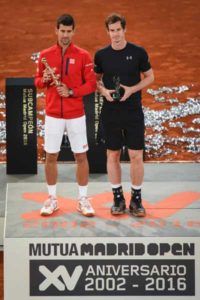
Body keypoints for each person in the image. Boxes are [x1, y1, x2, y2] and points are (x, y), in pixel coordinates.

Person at [35, 14, 96, 217]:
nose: (65, 35)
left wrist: (71, 92)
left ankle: (83, 199)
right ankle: (52, 199)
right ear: (56, 30)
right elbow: (37, 81)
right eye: (62, 31)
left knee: (81, 156)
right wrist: (44, 80)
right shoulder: (45, 55)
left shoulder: (83, 56)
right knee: (51, 156)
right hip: (53, 114)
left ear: (74, 32)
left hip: (76, 114)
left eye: (69, 31)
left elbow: (91, 85)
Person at [94, 13, 154, 217]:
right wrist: (103, 92)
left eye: (119, 30)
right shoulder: (101, 55)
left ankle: (136, 200)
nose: (116, 34)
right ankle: (117, 198)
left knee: (136, 155)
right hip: (111, 112)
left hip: (133, 112)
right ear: (107, 32)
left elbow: (150, 77)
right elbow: (95, 80)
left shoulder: (138, 52)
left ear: (124, 29)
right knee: (113, 154)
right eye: (112, 31)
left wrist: (132, 90)